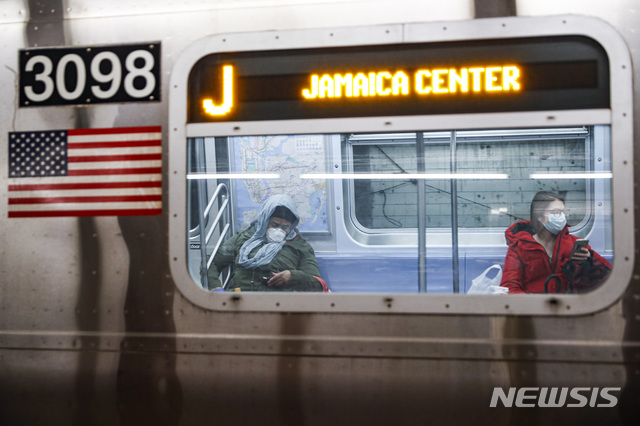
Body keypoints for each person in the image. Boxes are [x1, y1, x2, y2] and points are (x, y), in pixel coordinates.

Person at [207, 194, 325, 292]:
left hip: (276, 305)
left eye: (285, 227)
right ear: (264, 221)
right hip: (239, 300)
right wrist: (215, 287)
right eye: (274, 224)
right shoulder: (244, 238)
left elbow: (318, 284)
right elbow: (212, 262)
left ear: (292, 226)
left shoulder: (300, 246)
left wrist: (292, 276)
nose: (279, 230)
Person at [500, 191, 611, 294]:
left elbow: (608, 275)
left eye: (563, 212)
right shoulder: (520, 247)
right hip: (532, 308)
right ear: (540, 217)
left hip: (567, 307)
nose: (562, 217)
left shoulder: (572, 244)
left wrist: (589, 261)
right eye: (556, 212)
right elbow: (509, 287)